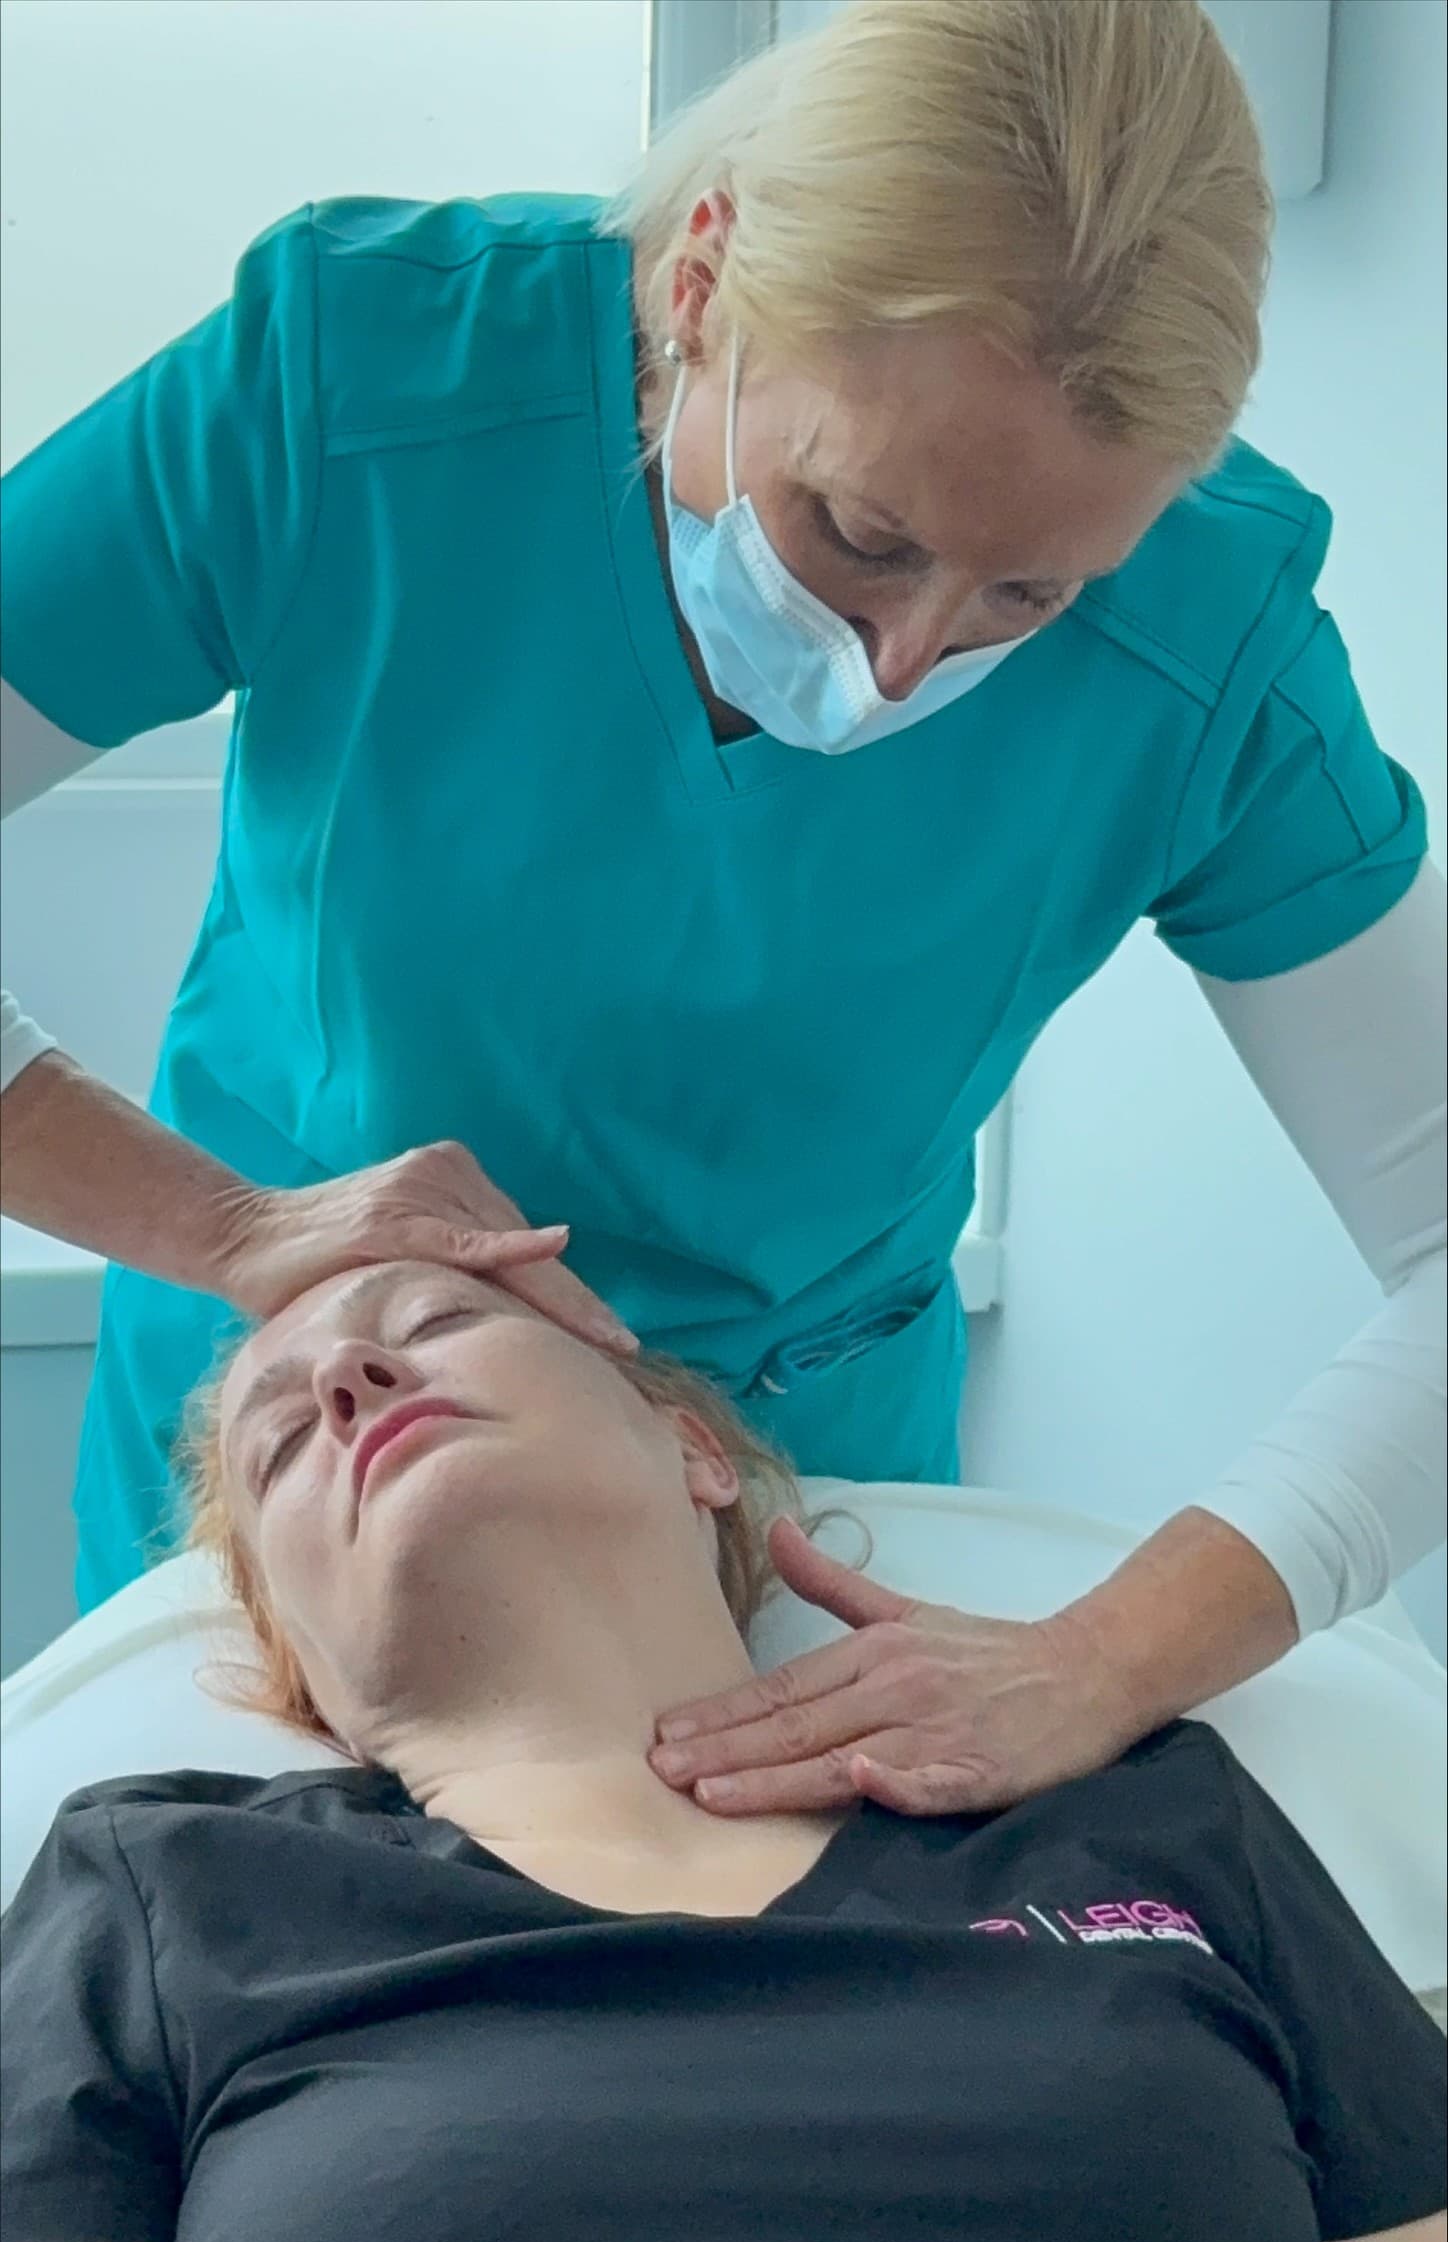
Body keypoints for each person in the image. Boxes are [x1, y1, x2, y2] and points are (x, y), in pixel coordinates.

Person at [1, 0, 1443, 1815]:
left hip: (794, 1543)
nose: (905, 664)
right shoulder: (356, 391)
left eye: (1027, 601)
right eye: (861, 531)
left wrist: (1109, 1657)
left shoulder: (1209, 644)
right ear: (703, 280)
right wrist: (217, 1224)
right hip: (312, 1490)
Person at [1, 1258, 1443, 2242]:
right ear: (287, 1662)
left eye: (438, 1323)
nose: (347, 1381)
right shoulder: (160, 1896)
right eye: (282, 1439)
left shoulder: (1152, 1819)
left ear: (695, 1453)